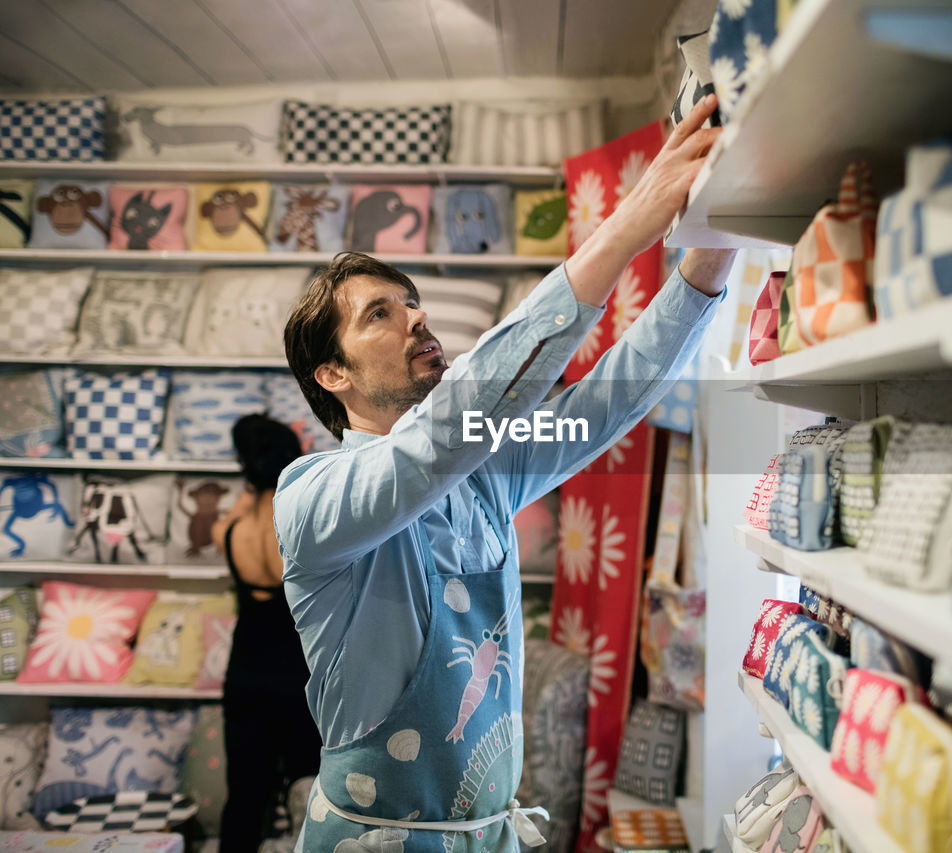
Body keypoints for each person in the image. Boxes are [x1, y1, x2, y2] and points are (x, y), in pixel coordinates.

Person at [274, 94, 733, 853]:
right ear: (331, 373)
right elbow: (442, 432)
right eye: (379, 314)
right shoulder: (311, 499)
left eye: (413, 303)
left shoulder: (483, 470)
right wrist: (628, 223)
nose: (416, 318)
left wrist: (710, 255)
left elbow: (609, 403)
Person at [212, 414, 322, 853]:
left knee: (245, 795)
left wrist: (250, 491)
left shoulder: (232, 529)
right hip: (300, 674)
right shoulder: (295, 521)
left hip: (246, 674)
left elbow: (228, 522)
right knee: (312, 791)